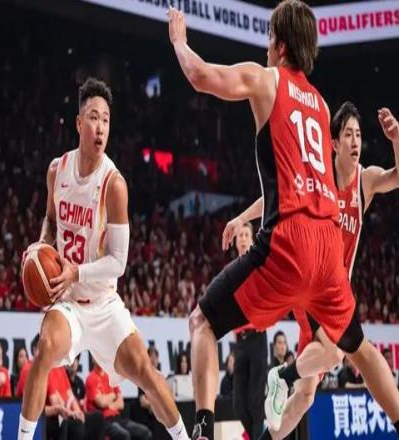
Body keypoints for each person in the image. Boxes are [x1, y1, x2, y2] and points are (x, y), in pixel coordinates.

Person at [167, 3, 399, 439]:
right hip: (329, 253)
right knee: (360, 351)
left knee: (203, 322)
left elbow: (200, 76)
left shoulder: (267, 79)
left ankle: (201, 430)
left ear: (281, 44)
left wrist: (180, 42)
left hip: (288, 244)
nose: (266, 45)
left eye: (270, 36)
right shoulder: (322, 106)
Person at [18, 77, 188, 440]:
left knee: (145, 371)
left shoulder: (114, 184)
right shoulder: (57, 170)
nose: (101, 127)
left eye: (106, 120)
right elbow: (50, 219)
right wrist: (41, 246)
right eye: (94, 117)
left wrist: (75, 272)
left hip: (103, 302)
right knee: (45, 348)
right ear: (79, 123)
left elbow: (119, 262)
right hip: (68, 302)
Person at [236, 103, 399, 439]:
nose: (355, 142)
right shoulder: (318, 178)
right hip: (310, 282)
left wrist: (396, 139)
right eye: (348, 135)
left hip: (336, 294)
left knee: (305, 397)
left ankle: (282, 389)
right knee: (342, 351)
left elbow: (397, 177)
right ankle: (283, 375)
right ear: (334, 144)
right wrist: (242, 218)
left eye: (359, 135)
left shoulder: (365, 181)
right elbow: (277, 196)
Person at [224, 222, 268, 439]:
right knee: (239, 404)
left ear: (252, 240)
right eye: (239, 235)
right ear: (235, 242)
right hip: (240, 342)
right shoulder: (231, 271)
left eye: (245, 235)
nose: (242, 238)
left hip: (257, 337)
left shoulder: (259, 265)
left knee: (255, 401)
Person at [86, 359, 151, 440]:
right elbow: (101, 403)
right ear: (93, 360)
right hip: (104, 421)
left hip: (118, 418)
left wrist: (107, 403)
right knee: (124, 435)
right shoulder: (91, 378)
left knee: (145, 432)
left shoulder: (110, 377)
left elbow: (121, 404)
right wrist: (113, 395)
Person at [45, 366, 85, 440]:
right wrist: (71, 413)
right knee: (76, 426)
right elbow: (56, 403)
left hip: (65, 412)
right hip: (52, 417)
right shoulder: (48, 369)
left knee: (96, 418)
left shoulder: (61, 369)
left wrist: (78, 412)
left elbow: (71, 396)